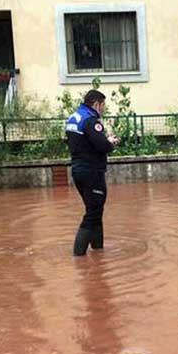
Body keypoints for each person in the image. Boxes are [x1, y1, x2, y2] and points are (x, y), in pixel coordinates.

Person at [66, 89, 120, 256]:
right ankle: (78, 255)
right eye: (103, 105)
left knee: (95, 209)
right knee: (93, 212)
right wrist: (111, 142)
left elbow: (83, 143)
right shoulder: (90, 120)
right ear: (96, 104)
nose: (103, 109)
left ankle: (98, 250)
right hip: (92, 172)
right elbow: (102, 145)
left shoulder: (74, 117)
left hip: (78, 171)